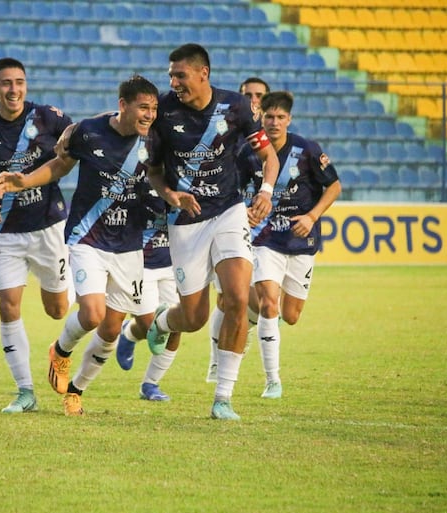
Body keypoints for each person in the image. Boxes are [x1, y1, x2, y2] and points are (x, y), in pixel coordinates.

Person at [0, 74, 160, 416]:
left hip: (129, 244)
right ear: (123, 105)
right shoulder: (89, 132)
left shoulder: (156, 139)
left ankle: (77, 390)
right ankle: (60, 349)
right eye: (143, 107)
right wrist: (25, 180)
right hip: (87, 236)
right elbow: (60, 164)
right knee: (93, 312)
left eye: (154, 108)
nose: (149, 114)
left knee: (112, 328)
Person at [145, 43, 279, 421]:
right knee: (194, 318)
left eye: (180, 76)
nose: (174, 83)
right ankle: (162, 320)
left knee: (237, 297)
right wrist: (171, 195)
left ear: (203, 73)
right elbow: (154, 169)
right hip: (185, 222)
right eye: (171, 76)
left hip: (228, 211)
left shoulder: (236, 107)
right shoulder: (163, 110)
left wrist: (266, 192)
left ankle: (223, 397)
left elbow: (269, 155)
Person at [0, 58, 72, 414]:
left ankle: (59, 350)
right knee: (8, 307)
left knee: (58, 310)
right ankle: (25, 392)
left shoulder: (50, 117)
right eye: (6, 83)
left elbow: (76, 145)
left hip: (49, 227)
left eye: (19, 82)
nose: (14, 89)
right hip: (6, 231)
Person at [236, 91, 342, 399]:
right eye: (269, 117)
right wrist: (245, 212)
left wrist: (311, 216)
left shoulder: (307, 150)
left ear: (289, 120)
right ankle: (273, 381)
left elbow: (334, 186)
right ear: (261, 118)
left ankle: (253, 322)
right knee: (270, 301)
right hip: (263, 239)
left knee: (291, 315)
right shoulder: (247, 152)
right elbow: (233, 190)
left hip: (301, 240)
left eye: (280, 117)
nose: (274, 122)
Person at [206, 76, 271, 383]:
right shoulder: (229, 139)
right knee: (229, 299)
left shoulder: (276, 145)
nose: (254, 99)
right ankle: (218, 364)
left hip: (270, 235)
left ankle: (227, 351)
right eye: (249, 95)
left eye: (259, 95)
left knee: (264, 307)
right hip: (231, 225)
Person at [114, 177, 181, 402]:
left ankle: (150, 384)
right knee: (152, 325)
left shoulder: (184, 177)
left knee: (177, 324)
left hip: (174, 264)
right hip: (139, 265)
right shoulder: (135, 178)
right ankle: (131, 331)